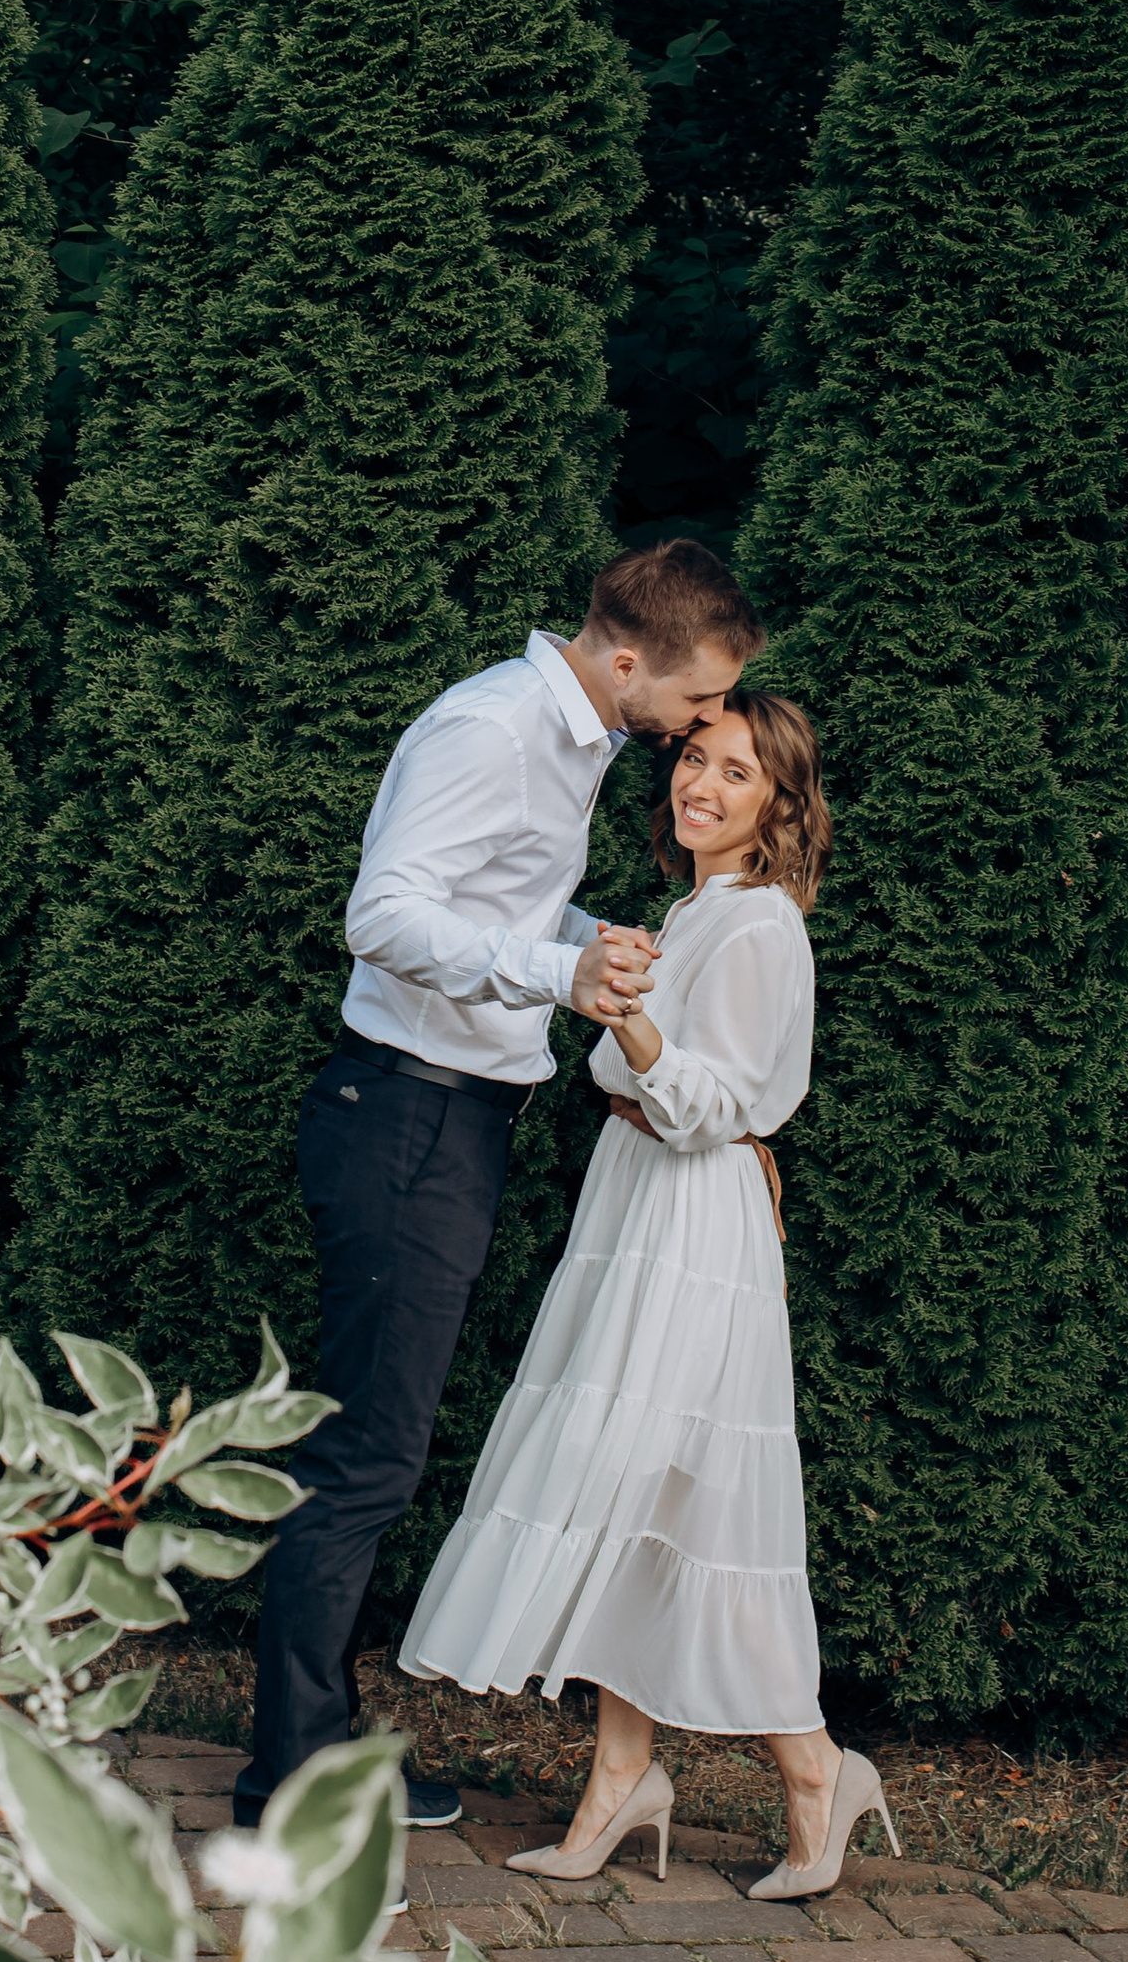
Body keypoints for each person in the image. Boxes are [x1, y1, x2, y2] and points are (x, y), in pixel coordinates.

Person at [231, 540, 766, 1832]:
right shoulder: (492, 728)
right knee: (364, 1456)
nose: (699, 730)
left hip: (449, 1119)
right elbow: (383, 915)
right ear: (629, 661)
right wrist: (557, 976)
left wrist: (586, 937)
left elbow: (493, 904)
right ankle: (288, 1778)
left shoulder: (571, 738)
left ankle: (319, 1748)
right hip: (406, 1115)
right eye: (695, 705)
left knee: (376, 1448)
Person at [399, 686, 897, 1899]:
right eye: (693, 761)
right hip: (635, 1205)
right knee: (637, 1493)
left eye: (735, 773)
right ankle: (624, 1776)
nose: (700, 785)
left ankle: (818, 1771)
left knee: (692, 1502)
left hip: (693, 1220)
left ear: (780, 805)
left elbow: (718, 1106)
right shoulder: (694, 908)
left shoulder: (760, 926)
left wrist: (629, 1028)